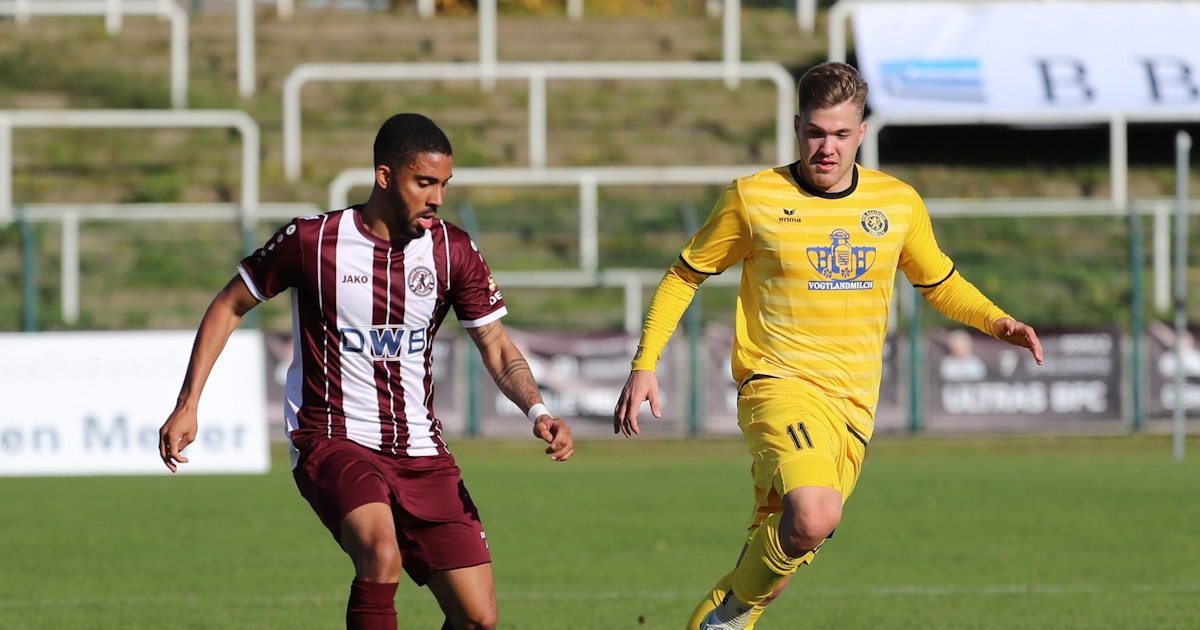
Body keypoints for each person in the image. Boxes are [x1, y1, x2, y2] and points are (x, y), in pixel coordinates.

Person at [612, 62, 1043, 630]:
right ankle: (734, 611)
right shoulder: (754, 198)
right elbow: (683, 275)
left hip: (854, 407)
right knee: (814, 514)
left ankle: (730, 613)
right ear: (797, 128)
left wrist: (997, 322)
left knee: (788, 541)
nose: (827, 148)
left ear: (861, 132)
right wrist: (645, 363)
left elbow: (938, 282)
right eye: (815, 133)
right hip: (778, 384)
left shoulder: (897, 204)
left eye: (841, 134)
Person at [158, 113, 575, 630]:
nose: (437, 198)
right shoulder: (314, 241)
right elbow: (229, 304)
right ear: (384, 176)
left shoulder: (453, 250)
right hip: (332, 438)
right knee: (381, 554)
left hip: (421, 451)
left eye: (444, 185)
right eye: (424, 182)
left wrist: (538, 409)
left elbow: (494, 342)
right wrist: (189, 402)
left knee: (478, 619)